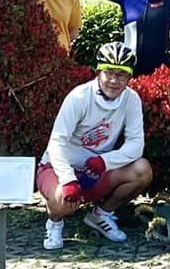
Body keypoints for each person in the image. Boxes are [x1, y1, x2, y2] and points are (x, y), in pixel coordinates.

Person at [38, 42, 154, 249]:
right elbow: (57, 142)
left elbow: (136, 144)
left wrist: (104, 161)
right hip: (60, 165)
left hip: (96, 168)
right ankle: (54, 224)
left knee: (142, 170)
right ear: (98, 72)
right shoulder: (79, 97)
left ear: (129, 77)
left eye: (121, 75)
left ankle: (101, 215)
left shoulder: (131, 99)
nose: (113, 80)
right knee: (60, 201)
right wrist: (68, 179)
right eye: (108, 72)